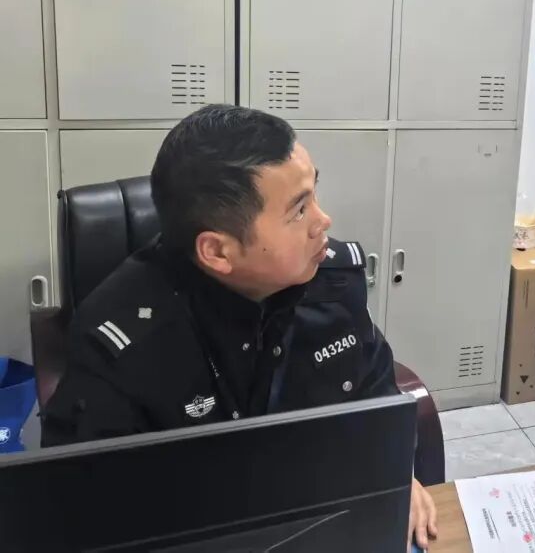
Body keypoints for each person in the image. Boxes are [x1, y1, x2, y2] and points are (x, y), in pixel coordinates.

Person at [43, 104, 438, 551]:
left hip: (321, 522)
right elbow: (83, 507)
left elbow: (376, 392)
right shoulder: (123, 345)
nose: (323, 221)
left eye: (314, 193)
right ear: (217, 252)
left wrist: (394, 473)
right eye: (299, 210)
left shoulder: (331, 280)